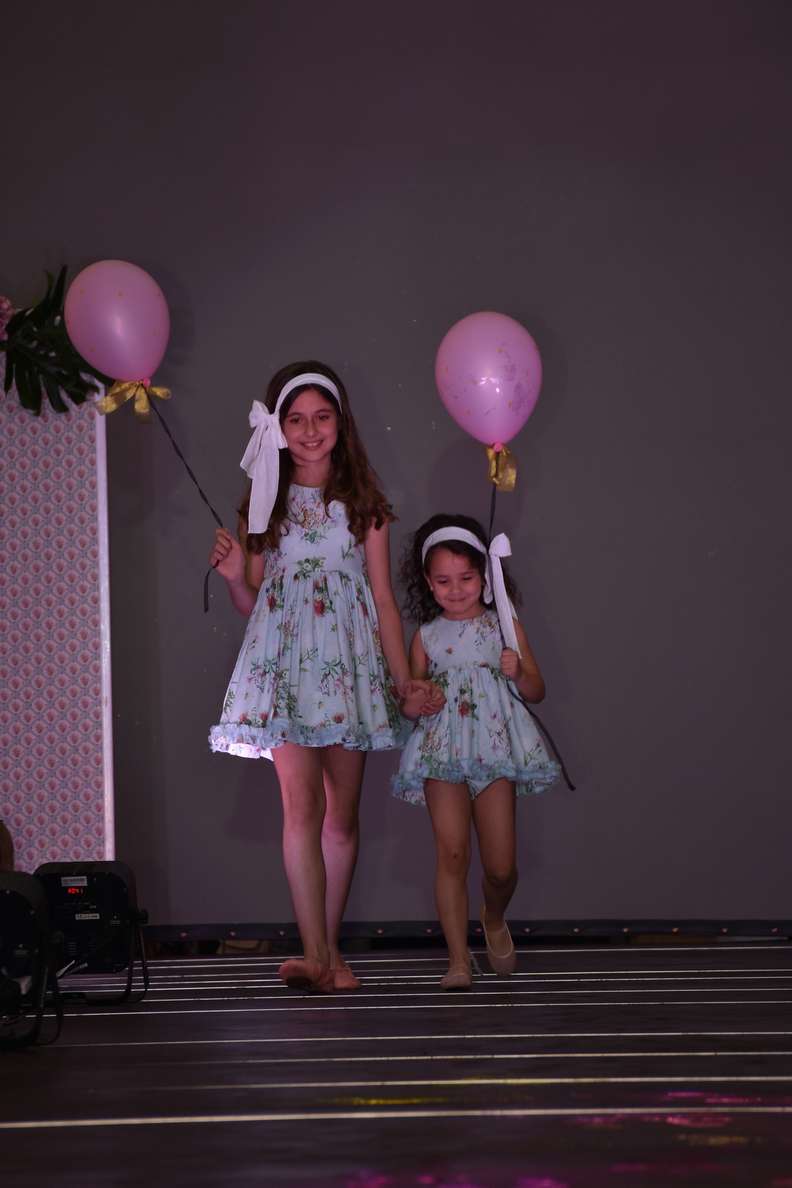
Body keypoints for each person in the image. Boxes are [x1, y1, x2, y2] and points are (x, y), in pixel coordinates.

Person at [209, 361, 439, 993]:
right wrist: (233, 579)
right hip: (284, 670)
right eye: (296, 419)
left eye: (322, 417)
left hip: (348, 672)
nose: (310, 431)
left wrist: (401, 679)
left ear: (341, 423)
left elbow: (384, 600)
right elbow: (253, 602)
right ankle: (314, 954)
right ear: (279, 429)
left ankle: (330, 951)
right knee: (302, 806)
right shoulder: (265, 503)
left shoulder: (364, 507)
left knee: (342, 816)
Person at [396, 514, 560, 990]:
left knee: (501, 866)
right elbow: (411, 701)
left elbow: (537, 690)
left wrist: (518, 671)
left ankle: (493, 915)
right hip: (442, 750)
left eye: (466, 578)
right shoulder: (425, 637)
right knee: (451, 853)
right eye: (443, 581)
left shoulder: (504, 627)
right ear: (428, 582)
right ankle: (457, 960)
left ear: (485, 577)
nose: (456, 590)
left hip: (493, 748)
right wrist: (418, 699)